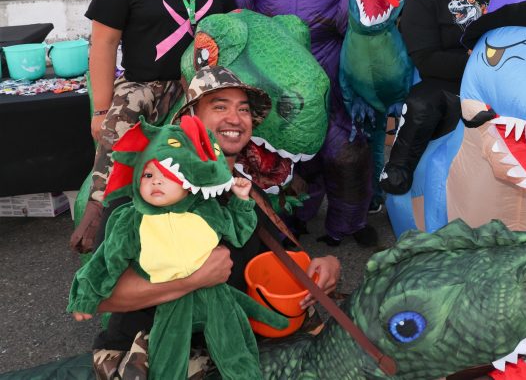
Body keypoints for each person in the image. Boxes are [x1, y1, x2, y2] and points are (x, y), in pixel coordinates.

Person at [89, 66, 341, 378]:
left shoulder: (249, 194)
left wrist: (326, 265)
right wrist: (193, 280)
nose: (235, 119)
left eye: (243, 109)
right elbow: (101, 297)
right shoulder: (144, 190)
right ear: (189, 119)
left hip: (229, 331)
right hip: (145, 346)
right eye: (219, 106)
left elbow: (285, 258)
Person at [71, 0, 238, 254]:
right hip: (143, 84)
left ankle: (222, 220)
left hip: (197, 88)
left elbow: (232, 33)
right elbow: (102, 44)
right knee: (124, 111)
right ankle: (100, 207)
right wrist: (101, 110)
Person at [69, 115, 283, 380]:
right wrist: (196, 279)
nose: (156, 181)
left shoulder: (225, 202)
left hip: (218, 305)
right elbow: (104, 267)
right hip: (151, 326)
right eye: (148, 174)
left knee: (237, 355)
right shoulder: (129, 212)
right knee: (169, 359)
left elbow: (244, 235)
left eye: (242, 108)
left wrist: (241, 202)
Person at [378, 0, 504, 194]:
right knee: (421, 102)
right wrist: (478, 61)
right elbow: (427, 60)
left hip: (506, 77)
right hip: (452, 86)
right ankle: (399, 167)